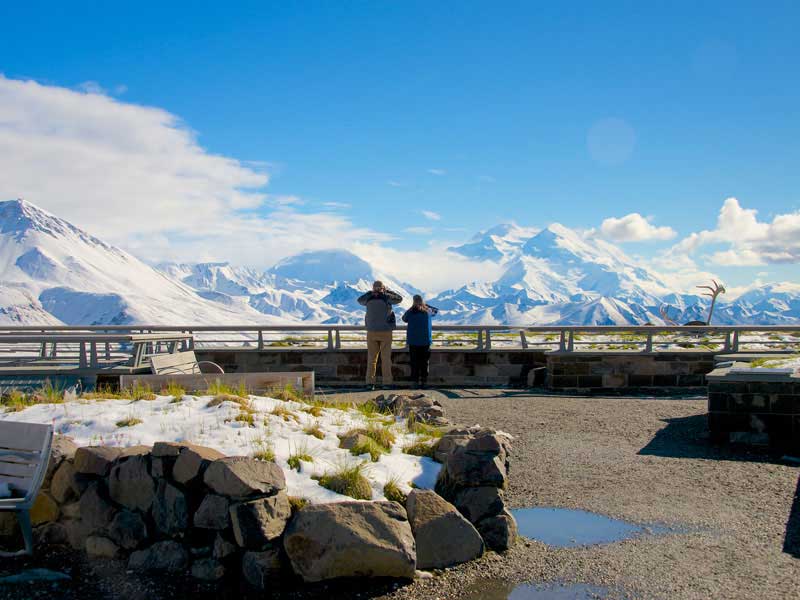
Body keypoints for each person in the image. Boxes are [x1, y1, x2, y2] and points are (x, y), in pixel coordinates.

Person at [357, 280, 403, 389]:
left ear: (373, 287)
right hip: (386, 331)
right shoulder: (386, 297)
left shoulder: (368, 298)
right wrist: (387, 291)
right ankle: (387, 383)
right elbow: (399, 299)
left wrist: (371, 292)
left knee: (372, 359)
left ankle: (370, 383)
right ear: (383, 288)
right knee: (386, 358)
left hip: (371, 331)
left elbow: (359, 300)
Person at [402, 294, 439, 388]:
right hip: (425, 341)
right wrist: (426, 305)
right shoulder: (428, 311)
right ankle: (424, 382)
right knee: (424, 363)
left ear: (413, 301)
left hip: (413, 341)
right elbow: (436, 311)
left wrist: (412, 307)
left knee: (414, 363)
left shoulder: (410, 311)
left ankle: (414, 382)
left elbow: (404, 319)